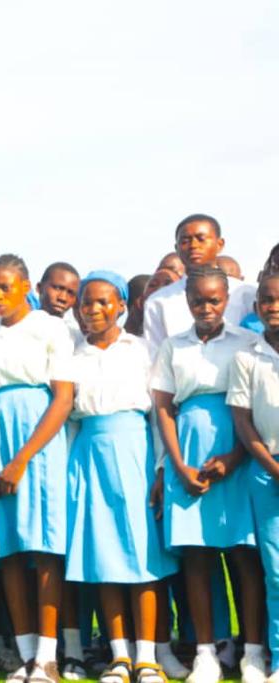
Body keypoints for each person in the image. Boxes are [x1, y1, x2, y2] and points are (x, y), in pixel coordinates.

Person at [151, 267, 265, 683]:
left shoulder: (245, 342)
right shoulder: (172, 346)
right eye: (198, 300)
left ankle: (252, 651)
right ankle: (205, 652)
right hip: (189, 454)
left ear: (227, 299)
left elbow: (253, 407)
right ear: (187, 302)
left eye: (214, 300)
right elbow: (163, 406)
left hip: (238, 451)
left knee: (243, 553)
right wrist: (176, 464)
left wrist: (236, 456)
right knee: (197, 555)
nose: (206, 307)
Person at [64, 272, 178, 683]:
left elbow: (157, 413)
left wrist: (161, 466)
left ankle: (148, 655)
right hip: (89, 454)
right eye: (85, 303)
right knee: (104, 555)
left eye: (101, 302)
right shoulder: (72, 356)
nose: (91, 310)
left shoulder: (142, 350)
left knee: (142, 553)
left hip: (134, 452)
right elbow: (70, 419)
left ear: (121, 306)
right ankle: (119, 655)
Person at [0, 254, 75, 683]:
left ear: (26, 285)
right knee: (7, 548)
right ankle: (26, 654)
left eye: (5, 287)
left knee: (44, 545)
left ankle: (49, 656)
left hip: (36, 437)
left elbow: (63, 398)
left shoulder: (50, 327)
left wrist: (22, 459)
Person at [228, 270, 279, 683]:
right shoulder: (247, 356)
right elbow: (243, 423)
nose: (273, 305)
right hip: (268, 473)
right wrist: (272, 467)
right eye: (265, 299)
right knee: (276, 572)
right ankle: (278, 660)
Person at [143, 214, 257, 350]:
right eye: (185, 241)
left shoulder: (247, 293)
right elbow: (155, 355)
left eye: (201, 239)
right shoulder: (159, 301)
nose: (193, 246)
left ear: (219, 244)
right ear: (176, 248)